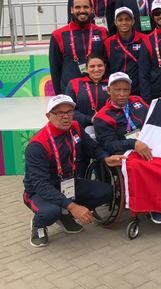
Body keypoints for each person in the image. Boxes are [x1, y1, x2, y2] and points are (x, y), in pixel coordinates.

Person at [23, 95, 123, 247]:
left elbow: (93, 147)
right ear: (48, 116)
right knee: (50, 212)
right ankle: (39, 225)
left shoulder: (75, 127)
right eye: (59, 113)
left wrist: (105, 158)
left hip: (68, 183)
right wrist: (73, 206)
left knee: (108, 192)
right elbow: (40, 184)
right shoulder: (38, 145)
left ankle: (65, 215)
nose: (65, 117)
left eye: (69, 111)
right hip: (39, 190)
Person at [92, 72, 161, 224]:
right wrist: (133, 144)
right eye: (117, 90)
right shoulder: (102, 117)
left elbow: (154, 117)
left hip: (148, 143)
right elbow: (108, 144)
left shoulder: (137, 100)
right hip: (125, 151)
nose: (122, 94)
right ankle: (154, 207)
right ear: (109, 90)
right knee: (146, 164)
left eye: (125, 90)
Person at [50, 0, 108, 95]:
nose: (82, 10)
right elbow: (55, 68)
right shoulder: (58, 34)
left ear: (92, 10)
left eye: (85, 7)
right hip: (69, 91)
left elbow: (107, 62)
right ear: (71, 10)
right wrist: (59, 95)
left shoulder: (102, 32)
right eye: (77, 7)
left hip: (97, 90)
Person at [104, 7, 145, 95]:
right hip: (118, 90)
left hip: (138, 89)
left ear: (133, 21)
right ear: (115, 22)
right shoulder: (108, 42)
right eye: (120, 20)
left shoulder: (144, 39)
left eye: (127, 19)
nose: (124, 23)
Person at [64, 54, 109, 129]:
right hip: (80, 128)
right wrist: (89, 119)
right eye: (92, 66)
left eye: (100, 65)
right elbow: (68, 109)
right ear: (86, 68)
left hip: (107, 127)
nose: (96, 69)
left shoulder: (111, 84)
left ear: (105, 66)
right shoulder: (74, 83)